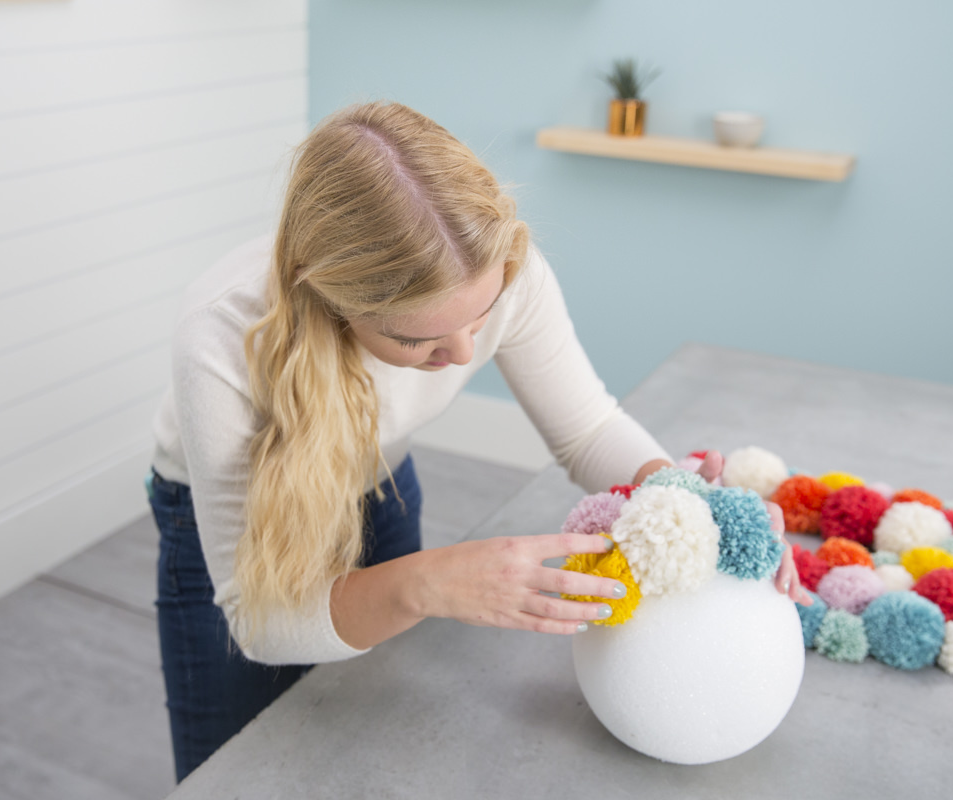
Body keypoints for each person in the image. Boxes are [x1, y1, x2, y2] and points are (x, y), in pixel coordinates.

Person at [147, 101, 806, 781]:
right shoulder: (223, 337)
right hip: (227, 527)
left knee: (361, 744)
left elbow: (586, 429)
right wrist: (426, 585)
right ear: (336, 304)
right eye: (417, 340)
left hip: (379, 482)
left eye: (481, 316)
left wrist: (684, 500)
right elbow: (262, 624)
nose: (463, 353)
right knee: (231, 776)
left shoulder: (499, 265)